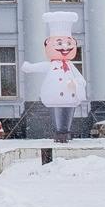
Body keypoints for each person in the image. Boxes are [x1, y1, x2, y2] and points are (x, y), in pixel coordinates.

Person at [21, 10, 88, 143]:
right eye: (59, 43)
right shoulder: (51, 65)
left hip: (70, 98)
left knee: (67, 114)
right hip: (55, 98)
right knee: (57, 113)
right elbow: (40, 67)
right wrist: (28, 67)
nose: (65, 46)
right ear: (48, 44)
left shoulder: (70, 65)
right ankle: (60, 131)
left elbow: (81, 79)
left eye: (69, 43)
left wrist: (76, 83)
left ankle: (64, 131)